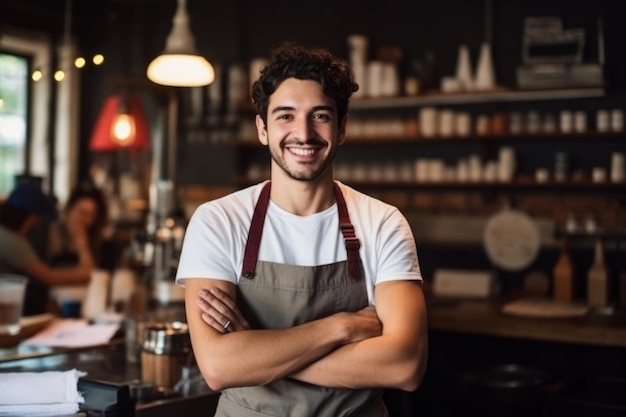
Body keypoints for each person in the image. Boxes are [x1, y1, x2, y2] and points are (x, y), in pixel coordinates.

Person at [176, 41, 428, 416]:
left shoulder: (382, 223)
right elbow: (217, 367)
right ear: (262, 128)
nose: (304, 133)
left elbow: (404, 365)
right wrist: (340, 328)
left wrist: (256, 354)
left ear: (341, 128)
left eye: (321, 115)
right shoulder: (218, 221)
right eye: (285, 116)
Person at [0, 182, 94, 316]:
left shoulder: (7, 235)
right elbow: (49, 277)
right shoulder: (11, 240)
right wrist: (82, 243)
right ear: (31, 218)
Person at [46, 181, 109, 268]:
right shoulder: (50, 232)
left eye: (92, 216)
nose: (86, 220)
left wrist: (83, 247)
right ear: (69, 210)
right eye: (82, 213)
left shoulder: (93, 239)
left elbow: (93, 273)